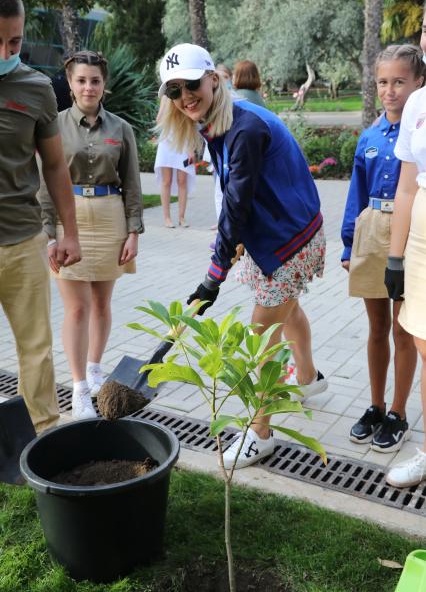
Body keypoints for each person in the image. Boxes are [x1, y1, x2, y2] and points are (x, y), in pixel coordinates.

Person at [157, 43, 326, 469]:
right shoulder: (216, 122)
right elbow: (235, 200)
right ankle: (308, 380)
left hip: (290, 240)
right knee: (287, 313)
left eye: (192, 84)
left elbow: (237, 202)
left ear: (214, 79)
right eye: (174, 90)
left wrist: (214, 274)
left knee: (259, 338)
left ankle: (261, 433)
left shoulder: (245, 128)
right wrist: (223, 257)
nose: (185, 96)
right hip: (272, 236)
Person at [38, 50, 143, 420]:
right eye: (81, 80)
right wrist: (50, 235)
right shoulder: (53, 125)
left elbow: (131, 185)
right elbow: (44, 183)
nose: (88, 87)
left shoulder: (121, 129)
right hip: (71, 220)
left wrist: (134, 232)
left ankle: (96, 369)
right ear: (69, 84)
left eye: (95, 80)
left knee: (101, 304)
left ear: (104, 84)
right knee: (77, 308)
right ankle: (80, 389)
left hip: (110, 218)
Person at [0, 0, 80, 433]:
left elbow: (54, 165)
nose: (6, 50)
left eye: (14, 41)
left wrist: (69, 232)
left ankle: (43, 441)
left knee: (36, 348)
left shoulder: (36, 89)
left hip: (23, 241)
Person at [341, 45, 424, 454]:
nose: (390, 91)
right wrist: (346, 244)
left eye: (399, 82)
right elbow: (356, 192)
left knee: (403, 329)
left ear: (418, 82)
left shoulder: (418, 131)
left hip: (408, 231)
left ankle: (398, 411)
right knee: (376, 328)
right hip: (372, 229)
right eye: (383, 82)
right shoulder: (370, 136)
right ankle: (375, 405)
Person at [384, 7, 426, 487]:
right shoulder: (416, 104)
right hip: (419, 242)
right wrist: (396, 258)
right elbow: (408, 188)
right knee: (421, 342)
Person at [154, 96, 196, 228]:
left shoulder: (185, 96)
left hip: (183, 141)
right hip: (166, 140)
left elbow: (190, 122)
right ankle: (167, 217)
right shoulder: (165, 97)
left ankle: (181, 217)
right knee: (166, 180)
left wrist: (191, 149)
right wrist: (166, 101)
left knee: (182, 180)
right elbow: (159, 120)